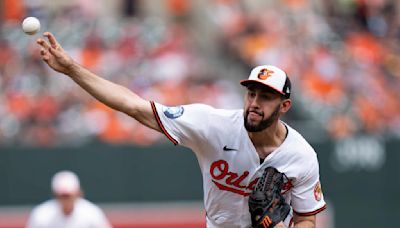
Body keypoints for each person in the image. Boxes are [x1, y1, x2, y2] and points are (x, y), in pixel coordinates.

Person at [36, 32, 327, 228]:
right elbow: (134, 106)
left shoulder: (301, 156)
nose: (254, 102)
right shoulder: (212, 125)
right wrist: (72, 69)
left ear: (285, 106)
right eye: (251, 93)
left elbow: (307, 218)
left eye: (265, 97)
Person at [26, 170, 112, 228]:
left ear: (78, 193)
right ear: (55, 195)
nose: (65, 200)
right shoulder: (41, 215)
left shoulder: (92, 213)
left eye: (68, 196)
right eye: (62, 196)